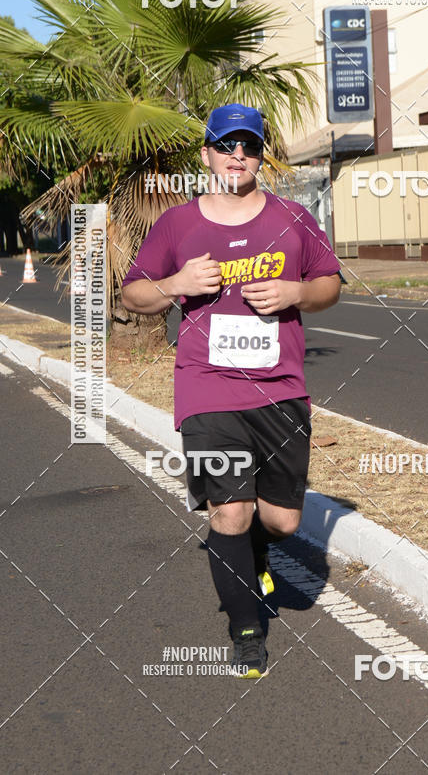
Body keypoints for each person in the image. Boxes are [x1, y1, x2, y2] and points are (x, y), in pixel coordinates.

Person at [121, 103, 341, 678]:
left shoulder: (293, 219)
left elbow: (330, 284)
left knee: (281, 522)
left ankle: (257, 556)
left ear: (259, 153)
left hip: (280, 390)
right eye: (225, 145)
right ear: (207, 155)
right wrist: (175, 284)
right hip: (208, 388)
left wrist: (296, 294)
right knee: (230, 510)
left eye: (247, 145)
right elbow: (133, 296)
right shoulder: (177, 224)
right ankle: (247, 632)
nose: (236, 156)